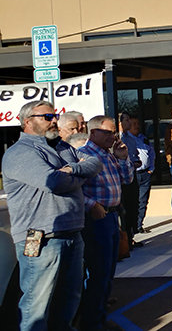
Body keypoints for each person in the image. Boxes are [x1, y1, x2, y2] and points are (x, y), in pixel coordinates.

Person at [1, 101, 101, 330]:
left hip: (72, 232)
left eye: (55, 115)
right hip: (40, 237)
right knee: (37, 305)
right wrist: (76, 172)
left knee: (69, 300)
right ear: (28, 122)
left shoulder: (62, 148)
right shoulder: (20, 153)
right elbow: (54, 182)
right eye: (47, 117)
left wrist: (72, 170)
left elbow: (95, 164)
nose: (55, 120)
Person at [77, 115, 135, 330]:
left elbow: (127, 179)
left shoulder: (109, 155)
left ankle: (99, 316)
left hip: (111, 216)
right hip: (96, 220)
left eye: (115, 133)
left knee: (108, 272)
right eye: (109, 132)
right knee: (99, 273)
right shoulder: (83, 155)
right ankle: (92, 322)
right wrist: (92, 205)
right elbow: (75, 190)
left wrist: (122, 158)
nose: (113, 137)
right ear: (93, 133)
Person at [126, 117, 155, 234]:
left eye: (138, 123)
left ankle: (139, 225)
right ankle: (132, 227)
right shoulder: (126, 139)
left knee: (143, 201)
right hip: (134, 174)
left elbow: (151, 153)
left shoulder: (143, 138)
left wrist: (151, 169)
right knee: (134, 201)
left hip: (146, 173)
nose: (136, 126)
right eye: (133, 124)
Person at [118, 112, 142, 249]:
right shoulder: (116, 139)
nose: (129, 123)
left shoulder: (131, 139)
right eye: (126, 120)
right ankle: (124, 240)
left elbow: (135, 155)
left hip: (132, 177)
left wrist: (136, 162)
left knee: (133, 207)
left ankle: (131, 237)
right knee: (124, 209)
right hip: (120, 180)